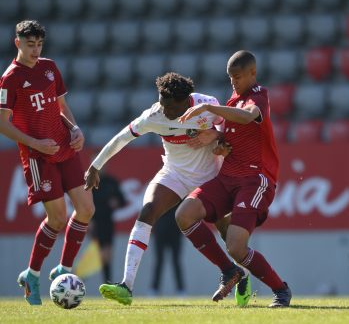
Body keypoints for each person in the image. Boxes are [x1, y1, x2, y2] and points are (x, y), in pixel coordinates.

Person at [84, 72, 245, 305]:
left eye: (169, 106)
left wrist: (217, 134)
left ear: (185, 102)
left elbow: (233, 129)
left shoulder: (206, 104)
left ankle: (240, 275)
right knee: (147, 210)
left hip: (209, 177)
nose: (163, 109)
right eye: (161, 101)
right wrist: (95, 166)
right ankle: (126, 286)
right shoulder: (154, 115)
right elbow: (121, 138)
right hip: (174, 174)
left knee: (227, 234)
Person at [176, 50, 292, 307]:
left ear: (253, 73)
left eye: (237, 77)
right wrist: (218, 142)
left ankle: (281, 290)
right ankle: (230, 271)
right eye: (230, 78)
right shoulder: (231, 102)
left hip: (255, 179)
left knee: (237, 247)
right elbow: (229, 138)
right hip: (227, 177)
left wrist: (207, 107)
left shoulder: (260, 95)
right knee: (184, 214)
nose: (234, 82)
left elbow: (249, 116)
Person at [0, 20, 95, 305]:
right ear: (17, 43)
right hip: (39, 156)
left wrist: (75, 129)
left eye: (39, 45)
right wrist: (35, 143)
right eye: (30, 45)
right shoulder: (10, 79)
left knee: (86, 209)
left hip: (65, 147)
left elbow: (61, 107)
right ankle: (32, 275)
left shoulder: (50, 67)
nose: (35, 50)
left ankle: (63, 270)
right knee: (57, 218)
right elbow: (2, 124)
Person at [90, 170, 127, 283]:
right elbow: (84, 203)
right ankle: (79, 276)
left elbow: (122, 200)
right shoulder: (89, 181)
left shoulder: (111, 182)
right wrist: (89, 222)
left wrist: (117, 202)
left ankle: (107, 282)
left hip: (108, 222)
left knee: (107, 255)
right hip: (95, 223)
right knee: (98, 255)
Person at [150, 204, 185, 296]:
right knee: (159, 261)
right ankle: (154, 289)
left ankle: (180, 289)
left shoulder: (180, 193)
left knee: (176, 261)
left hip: (175, 231)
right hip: (160, 231)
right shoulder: (159, 192)